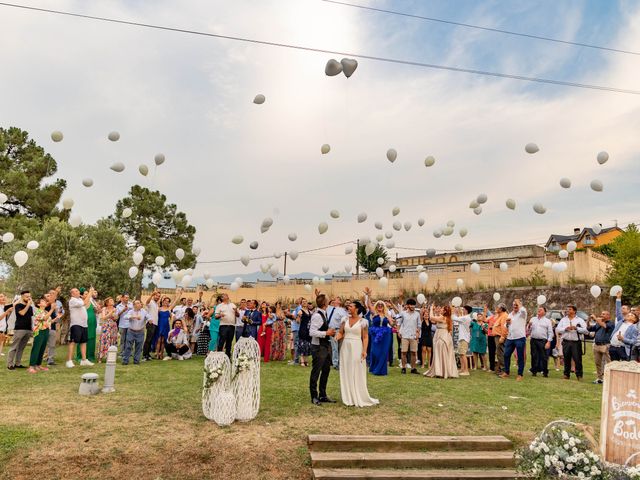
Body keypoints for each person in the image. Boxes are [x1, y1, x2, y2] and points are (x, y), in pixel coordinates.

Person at [335, 300, 378, 407]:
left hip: (357, 347)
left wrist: (364, 350)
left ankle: (358, 395)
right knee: (347, 369)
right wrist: (334, 338)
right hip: (345, 347)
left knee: (356, 370)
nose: (348, 307)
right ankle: (348, 396)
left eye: (351, 306)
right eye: (348, 306)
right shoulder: (344, 319)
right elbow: (341, 333)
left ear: (357, 308)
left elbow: (365, 337)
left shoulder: (363, 322)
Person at [308, 293, 337, 406]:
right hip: (318, 347)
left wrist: (328, 331)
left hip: (325, 346)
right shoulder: (317, 316)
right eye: (328, 300)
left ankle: (323, 395)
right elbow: (312, 332)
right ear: (325, 303)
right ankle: (314, 396)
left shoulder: (324, 313)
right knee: (316, 372)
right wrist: (327, 333)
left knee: (326, 371)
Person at [424, 304, 458, 379]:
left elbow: (432, 317)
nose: (441, 310)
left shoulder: (443, 317)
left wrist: (431, 309)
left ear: (445, 311)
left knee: (439, 353)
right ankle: (444, 371)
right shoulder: (448, 318)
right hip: (446, 336)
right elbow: (433, 320)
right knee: (445, 354)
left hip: (441, 337)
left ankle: (440, 372)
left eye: (442, 309)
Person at [556, 305, 589, 380]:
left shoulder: (580, 320)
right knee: (566, 359)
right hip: (566, 342)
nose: (567, 310)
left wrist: (576, 328)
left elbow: (586, 330)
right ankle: (566, 374)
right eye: (567, 309)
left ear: (574, 311)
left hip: (576, 342)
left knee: (577, 359)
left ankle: (579, 375)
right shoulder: (563, 320)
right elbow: (558, 329)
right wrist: (565, 329)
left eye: (569, 309)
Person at [66, 287, 95, 368]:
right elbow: (85, 302)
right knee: (73, 342)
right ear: (72, 294)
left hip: (84, 324)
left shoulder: (79, 300)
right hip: (76, 324)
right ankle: (69, 361)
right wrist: (90, 292)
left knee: (83, 342)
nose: (78, 291)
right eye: (76, 291)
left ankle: (84, 360)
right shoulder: (73, 300)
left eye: (78, 290)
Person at [500, 298, 527, 381]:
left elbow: (523, 310)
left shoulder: (522, 313)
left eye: (516, 305)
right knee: (506, 354)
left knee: (520, 356)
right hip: (510, 338)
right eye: (514, 305)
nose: (515, 306)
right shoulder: (510, 314)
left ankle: (520, 374)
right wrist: (507, 324)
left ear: (519, 305)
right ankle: (506, 372)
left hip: (520, 338)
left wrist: (519, 303)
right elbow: (506, 326)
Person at [27, 297, 55, 374]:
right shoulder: (37, 311)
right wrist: (52, 309)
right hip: (39, 331)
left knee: (42, 348)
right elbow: (44, 319)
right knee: (36, 348)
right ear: (39, 304)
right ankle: (31, 366)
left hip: (46, 331)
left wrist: (56, 319)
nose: (45, 302)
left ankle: (38, 365)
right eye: (42, 301)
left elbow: (48, 321)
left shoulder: (46, 311)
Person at [7, 291, 33, 370]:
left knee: (21, 348)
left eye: (29, 296)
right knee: (14, 347)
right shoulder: (18, 305)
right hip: (19, 329)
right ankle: (10, 365)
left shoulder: (31, 307)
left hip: (28, 329)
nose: (28, 298)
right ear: (22, 297)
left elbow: (30, 318)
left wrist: (32, 328)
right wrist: (28, 305)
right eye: (26, 296)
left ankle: (18, 363)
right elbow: (22, 313)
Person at [366, 299, 393, 376]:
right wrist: (368, 296)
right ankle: (374, 367)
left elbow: (391, 324)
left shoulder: (387, 314)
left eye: (381, 305)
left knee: (384, 352)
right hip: (375, 333)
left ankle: (381, 370)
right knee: (375, 351)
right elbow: (369, 305)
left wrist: (392, 322)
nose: (380, 306)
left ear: (384, 306)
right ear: (376, 306)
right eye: (378, 305)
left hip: (385, 335)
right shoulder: (374, 313)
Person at [395, 297, 421, 374]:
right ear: (408, 305)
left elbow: (419, 325)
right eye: (412, 305)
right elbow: (399, 323)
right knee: (404, 352)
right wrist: (398, 331)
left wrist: (417, 333)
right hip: (405, 335)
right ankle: (403, 368)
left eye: (414, 305)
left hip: (413, 336)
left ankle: (413, 369)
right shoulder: (403, 313)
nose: (413, 306)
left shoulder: (417, 314)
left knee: (413, 352)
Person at [587, 310, 614, 384]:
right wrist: (588, 320)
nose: (602, 315)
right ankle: (599, 378)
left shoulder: (611, 323)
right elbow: (589, 328)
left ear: (609, 316)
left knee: (608, 363)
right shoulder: (598, 323)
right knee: (597, 363)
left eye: (604, 314)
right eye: (601, 314)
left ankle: (609, 378)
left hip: (605, 345)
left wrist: (596, 318)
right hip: (597, 345)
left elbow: (604, 326)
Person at [528, 306, 553, 377]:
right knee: (534, 356)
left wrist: (549, 342)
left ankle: (545, 372)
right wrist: (529, 326)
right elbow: (528, 330)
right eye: (538, 309)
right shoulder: (533, 319)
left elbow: (550, 332)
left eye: (541, 309)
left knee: (544, 357)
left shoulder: (547, 321)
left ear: (544, 312)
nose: (538, 310)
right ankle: (534, 371)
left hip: (543, 341)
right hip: (533, 340)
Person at [122, 300, 149, 365]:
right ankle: (125, 360)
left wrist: (150, 319)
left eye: (139, 303)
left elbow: (148, 316)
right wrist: (134, 317)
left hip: (140, 332)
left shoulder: (144, 311)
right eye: (137, 303)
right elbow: (125, 317)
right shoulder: (131, 311)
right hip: (131, 331)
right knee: (128, 346)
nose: (139, 304)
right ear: (134, 305)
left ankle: (136, 361)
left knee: (139, 347)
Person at [75, 288, 99, 362]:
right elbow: (85, 306)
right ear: (81, 296)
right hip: (84, 323)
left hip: (92, 323)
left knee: (91, 339)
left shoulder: (91, 301)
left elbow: (96, 310)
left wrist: (97, 309)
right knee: (83, 339)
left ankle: (90, 356)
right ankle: (81, 356)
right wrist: (90, 292)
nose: (88, 295)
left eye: (87, 293)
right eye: (85, 294)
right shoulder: (81, 302)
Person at [610, 291, 632, 361]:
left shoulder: (633, 324)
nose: (621, 309)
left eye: (624, 308)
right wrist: (618, 298)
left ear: (629, 311)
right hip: (613, 347)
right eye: (621, 308)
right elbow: (618, 312)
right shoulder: (621, 320)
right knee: (613, 365)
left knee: (624, 366)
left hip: (623, 348)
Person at [327, 296, 348, 370]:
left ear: (339, 302)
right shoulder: (329, 308)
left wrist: (343, 332)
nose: (334, 300)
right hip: (331, 330)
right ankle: (335, 363)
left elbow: (345, 321)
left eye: (336, 299)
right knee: (334, 348)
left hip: (339, 330)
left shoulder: (342, 310)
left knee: (340, 348)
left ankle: (341, 363)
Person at [45, 288, 64, 366]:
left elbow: (61, 311)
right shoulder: (46, 303)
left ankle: (50, 359)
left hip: (52, 325)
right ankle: (41, 357)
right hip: (44, 326)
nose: (53, 295)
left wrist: (59, 315)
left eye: (54, 294)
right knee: (43, 344)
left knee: (52, 344)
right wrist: (56, 292)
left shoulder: (57, 303)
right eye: (51, 294)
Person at [452, 306, 473, 376]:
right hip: (462, 338)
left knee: (463, 354)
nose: (462, 310)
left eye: (463, 309)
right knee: (461, 354)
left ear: (466, 310)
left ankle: (466, 370)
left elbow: (454, 318)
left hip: (464, 338)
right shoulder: (465, 317)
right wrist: (456, 312)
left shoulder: (466, 318)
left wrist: (454, 312)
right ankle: (462, 369)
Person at [98, 298, 119, 362]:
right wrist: (111, 312)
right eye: (111, 300)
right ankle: (100, 357)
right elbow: (104, 317)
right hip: (106, 326)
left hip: (113, 326)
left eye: (113, 300)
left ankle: (110, 357)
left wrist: (115, 315)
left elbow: (116, 318)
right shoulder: (104, 309)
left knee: (112, 341)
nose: (113, 301)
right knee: (104, 341)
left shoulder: (115, 309)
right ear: (107, 303)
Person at [143, 290, 160, 361]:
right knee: (148, 340)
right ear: (154, 296)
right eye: (156, 295)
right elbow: (147, 302)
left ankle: (148, 354)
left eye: (159, 296)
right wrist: (151, 295)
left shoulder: (156, 304)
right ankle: (144, 355)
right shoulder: (151, 302)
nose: (157, 297)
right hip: (150, 323)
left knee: (151, 340)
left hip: (155, 324)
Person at [492, 304, 509, 375]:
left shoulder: (504, 316)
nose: (496, 308)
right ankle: (499, 369)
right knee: (499, 353)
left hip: (500, 336)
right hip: (497, 336)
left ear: (501, 309)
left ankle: (503, 370)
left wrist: (502, 337)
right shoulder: (500, 316)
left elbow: (504, 328)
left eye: (497, 308)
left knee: (500, 353)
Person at [296, 299, 313, 367]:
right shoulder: (300, 311)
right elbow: (297, 322)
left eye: (305, 302)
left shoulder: (309, 311)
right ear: (301, 304)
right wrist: (299, 316)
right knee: (302, 345)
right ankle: (302, 361)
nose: (305, 303)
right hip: (303, 329)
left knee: (307, 345)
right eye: (303, 302)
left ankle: (306, 360)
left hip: (308, 330)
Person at [419, 304, 433, 369]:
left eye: (427, 315)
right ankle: (423, 364)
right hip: (423, 337)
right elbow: (421, 313)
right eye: (425, 315)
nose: (426, 316)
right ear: (423, 316)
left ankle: (429, 364)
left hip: (429, 337)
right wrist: (424, 306)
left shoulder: (431, 321)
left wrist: (431, 309)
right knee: (423, 350)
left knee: (429, 350)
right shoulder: (422, 321)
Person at [288, 298, 302, 365]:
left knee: (296, 344)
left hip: (297, 328)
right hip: (295, 328)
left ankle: (296, 361)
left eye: (299, 299)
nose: (297, 299)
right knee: (296, 344)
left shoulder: (299, 308)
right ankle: (296, 359)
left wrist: (290, 316)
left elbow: (297, 319)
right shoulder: (297, 308)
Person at [485, 305, 497, 372]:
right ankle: (491, 367)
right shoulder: (491, 317)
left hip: (497, 335)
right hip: (490, 336)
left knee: (498, 352)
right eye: (495, 310)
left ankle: (499, 367)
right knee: (491, 352)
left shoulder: (499, 318)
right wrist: (484, 312)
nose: (495, 311)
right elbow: (484, 320)